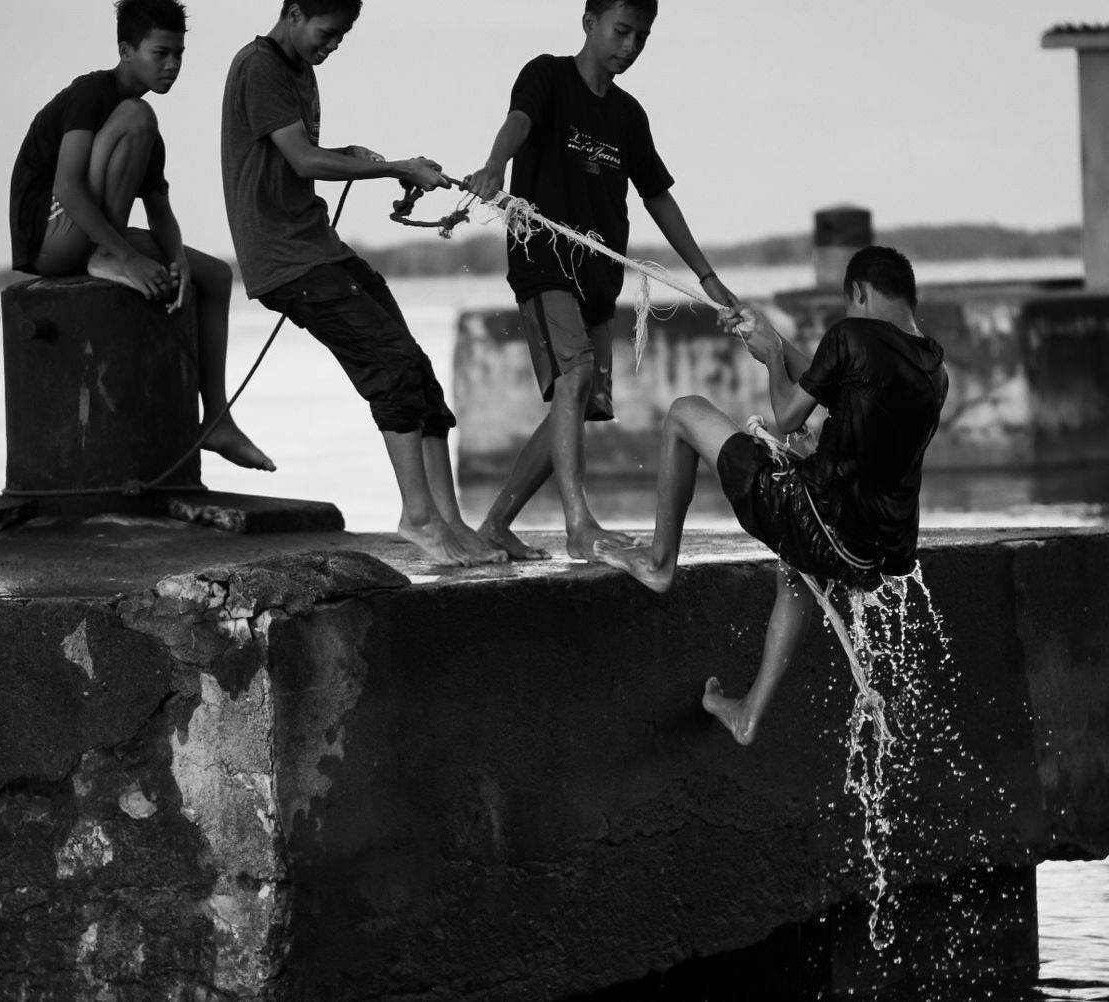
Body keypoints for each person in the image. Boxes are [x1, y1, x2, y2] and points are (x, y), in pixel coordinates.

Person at [597, 247, 950, 745]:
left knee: (684, 412)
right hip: (869, 549)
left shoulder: (852, 334)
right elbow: (836, 385)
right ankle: (748, 714)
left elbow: (786, 416)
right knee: (795, 571)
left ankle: (659, 563)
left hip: (814, 516)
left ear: (860, 293)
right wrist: (771, 339)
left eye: (850, 304)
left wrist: (772, 359)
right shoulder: (933, 367)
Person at [220, 0, 504, 567]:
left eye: (342, 37)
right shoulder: (261, 66)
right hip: (287, 260)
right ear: (294, 13)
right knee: (391, 368)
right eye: (327, 33)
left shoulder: (300, 69)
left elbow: (300, 154)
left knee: (416, 369)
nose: (332, 46)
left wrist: (348, 154)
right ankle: (418, 518)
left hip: (319, 248)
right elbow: (302, 161)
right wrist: (396, 167)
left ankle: (450, 520)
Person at [462, 0, 740, 562]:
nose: (630, 46)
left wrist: (707, 276)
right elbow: (519, 121)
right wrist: (495, 164)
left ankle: (495, 525)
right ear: (589, 23)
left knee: (579, 397)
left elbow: (657, 196)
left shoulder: (629, 115)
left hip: (599, 274)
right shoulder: (546, 76)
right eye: (621, 31)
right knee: (576, 374)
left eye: (642, 37)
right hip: (543, 260)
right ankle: (578, 524)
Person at [8, 0, 272, 471]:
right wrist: (126, 257)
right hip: (51, 238)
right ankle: (104, 256)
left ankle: (217, 419)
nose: (172, 65)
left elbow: (159, 207)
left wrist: (178, 259)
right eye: (160, 53)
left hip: (95, 232)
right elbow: (67, 187)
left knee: (215, 276)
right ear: (126, 50)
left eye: (179, 54)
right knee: (137, 115)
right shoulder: (97, 96)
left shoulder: (142, 130)